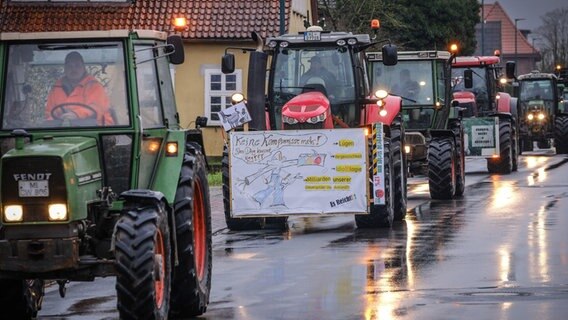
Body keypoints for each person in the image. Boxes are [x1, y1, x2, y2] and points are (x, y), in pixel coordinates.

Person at [46, 51, 114, 125]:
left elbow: (96, 107)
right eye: (70, 66)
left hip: (97, 129)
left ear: (84, 68)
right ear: (65, 69)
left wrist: (76, 114)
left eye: (77, 66)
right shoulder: (56, 88)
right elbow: (49, 113)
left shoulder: (94, 86)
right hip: (63, 129)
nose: (73, 69)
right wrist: (53, 123)